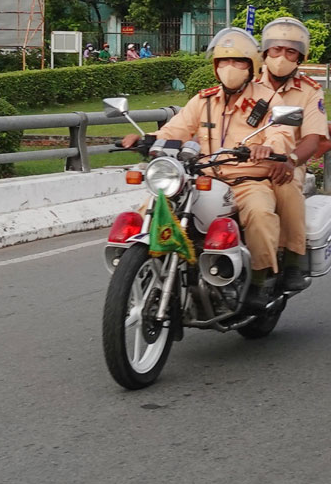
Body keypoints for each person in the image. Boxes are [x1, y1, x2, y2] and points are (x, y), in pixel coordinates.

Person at [119, 27, 292, 308]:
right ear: (214, 66)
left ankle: (262, 280)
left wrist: (269, 148)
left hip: (246, 178)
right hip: (203, 177)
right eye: (223, 61)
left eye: (237, 61)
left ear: (251, 66)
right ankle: (138, 271)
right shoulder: (204, 100)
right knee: (152, 207)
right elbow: (177, 128)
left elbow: (280, 132)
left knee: (260, 214)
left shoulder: (269, 100)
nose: (229, 68)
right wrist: (147, 140)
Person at [257, 17, 328, 293]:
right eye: (276, 50)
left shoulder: (309, 90)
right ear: (265, 52)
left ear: (300, 57)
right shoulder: (247, 81)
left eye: (290, 52)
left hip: (288, 161)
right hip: (244, 161)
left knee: (287, 185)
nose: (281, 57)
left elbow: (313, 138)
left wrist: (291, 161)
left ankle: (294, 259)